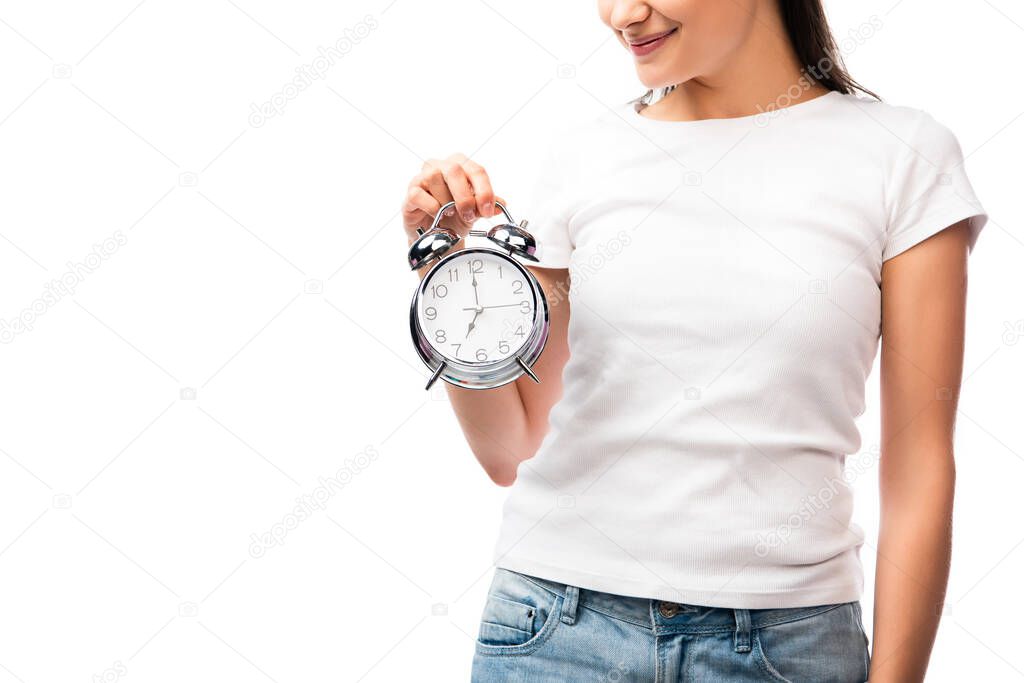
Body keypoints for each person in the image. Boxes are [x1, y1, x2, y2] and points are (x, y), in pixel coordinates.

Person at [400, 1, 987, 681]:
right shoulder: (585, 154)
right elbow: (510, 447)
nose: (621, 14)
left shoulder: (904, 157)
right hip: (555, 629)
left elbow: (919, 467)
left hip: (786, 645)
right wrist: (442, 264)